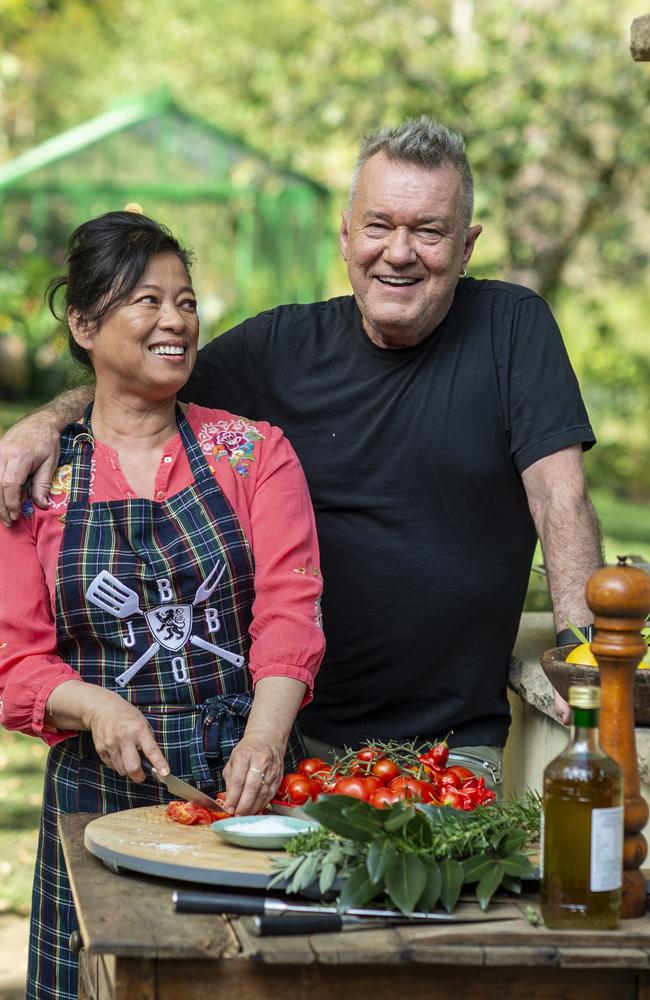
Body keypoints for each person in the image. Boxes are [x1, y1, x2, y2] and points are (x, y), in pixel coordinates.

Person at [0, 116, 602, 783]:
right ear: (346, 236)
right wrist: (46, 420)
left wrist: (586, 665)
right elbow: (139, 375)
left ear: (466, 247)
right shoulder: (278, 349)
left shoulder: (512, 328)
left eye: (428, 231)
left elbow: (561, 496)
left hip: (453, 747)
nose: (399, 252)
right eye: (378, 226)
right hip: (295, 744)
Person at [0, 211, 324, 1000]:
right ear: (83, 323)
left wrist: (265, 740)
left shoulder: (253, 453)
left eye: (185, 300)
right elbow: (16, 663)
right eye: (146, 301)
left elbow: (291, 614)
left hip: (242, 784)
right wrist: (96, 706)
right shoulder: (35, 481)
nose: (176, 319)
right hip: (93, 795)